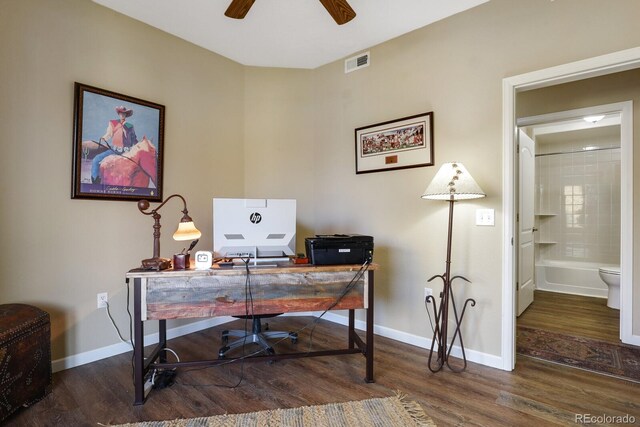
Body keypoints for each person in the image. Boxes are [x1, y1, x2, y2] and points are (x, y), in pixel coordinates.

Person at [91, 106, 139, 184]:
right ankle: (95, 181)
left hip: (127, 152)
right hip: (114, 150)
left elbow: (134, 139)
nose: (122, 115)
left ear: (126, 114)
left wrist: (139, 146)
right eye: (121, 113)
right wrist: (103, 138)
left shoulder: (130, 126)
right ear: (118, 113)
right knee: (96, 159)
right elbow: (109, 134)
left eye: (124, 113)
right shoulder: (113, 123)